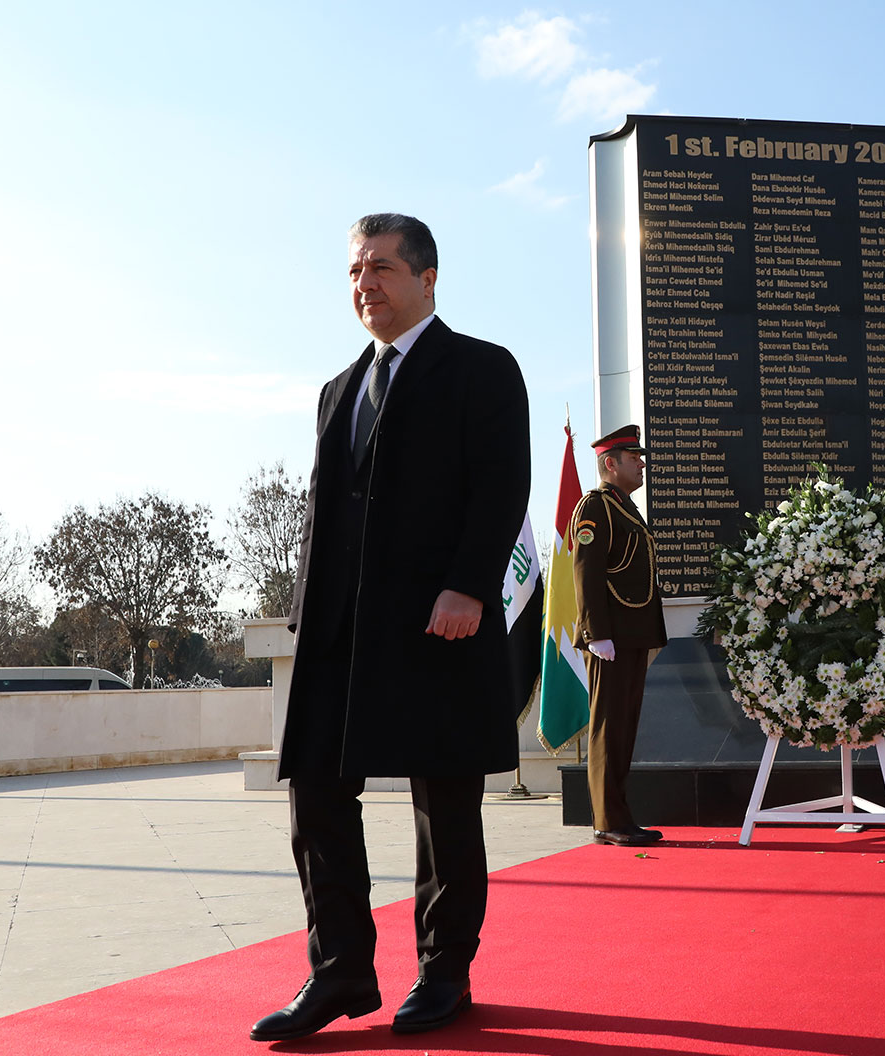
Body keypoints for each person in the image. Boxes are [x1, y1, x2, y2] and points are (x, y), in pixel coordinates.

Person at [250, 214, 530, 1042]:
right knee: (314, 793)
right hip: (339, 632)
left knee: (445, 806)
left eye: (380, 268)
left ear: (427, 277)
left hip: (439, 624)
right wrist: (306, 612)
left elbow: (501, 484)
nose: (363, 283)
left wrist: (468, 588)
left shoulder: (481, 368)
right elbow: (320, 510)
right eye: (353, 271)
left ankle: (444, 972)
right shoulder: (338, 389)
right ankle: (339, 969)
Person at [569, 425, 667, 846]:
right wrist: (596, 633)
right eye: (634, 458)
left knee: (623, 729)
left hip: (631, 634)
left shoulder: (624, 507)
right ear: (611, 463)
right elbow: (586, 572)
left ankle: (620, 817)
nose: (641, 464)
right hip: (610, 638)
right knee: (609, 729)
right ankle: (607, 820)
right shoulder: (596, 507)